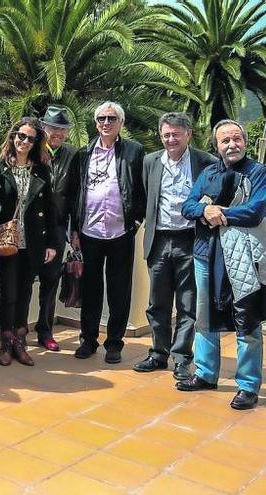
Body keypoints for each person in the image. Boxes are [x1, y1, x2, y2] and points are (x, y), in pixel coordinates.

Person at [178, 119, 266, 410]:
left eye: (237, 139)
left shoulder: (259, 173)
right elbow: (187, 206)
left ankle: (248, 386)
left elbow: (254, 212)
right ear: (216, 146)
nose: (232, 144)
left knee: (247, 320)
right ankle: (205, 374)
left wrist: (217, 212)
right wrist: (205, 208)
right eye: (225, 140)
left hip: (244, 260)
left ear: (245, 141)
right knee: (204, 318)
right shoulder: (208, 173)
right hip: (206, 255)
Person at [135, 112, 216, 380]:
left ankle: (182, 357)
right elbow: (144, 196)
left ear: (188, 135)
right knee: (157, 301)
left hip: (190, 240)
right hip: (158, 239)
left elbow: (220, 191)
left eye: (176, 134)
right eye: (166, 134)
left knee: (187, 303)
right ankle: (158, 353)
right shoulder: (150, 161)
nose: (171, 139)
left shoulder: (205, 161)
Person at [67, 101, 145, 364]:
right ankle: (88, 340)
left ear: (121, 123)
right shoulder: (83, 154)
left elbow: (142, 191)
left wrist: (135, 222)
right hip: (90, 231)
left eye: (112, 118)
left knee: (119, 290)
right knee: (90, 289)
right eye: (102, 118)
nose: (106, 123)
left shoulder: (134, 152)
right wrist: (76, 229)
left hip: (121, 233)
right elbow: (75, 194)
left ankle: (114, 343)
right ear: (95, 123)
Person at [0, 117, 59, 367]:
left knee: (25, 294)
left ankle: (20, 342)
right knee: (8, 295)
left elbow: (51, 209)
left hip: (32, 242)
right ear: (12, 136)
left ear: (36, 142)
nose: (24, 141)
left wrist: (52, 243)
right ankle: (6, 344)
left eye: (31, 138)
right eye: (21, 136)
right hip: (6, 242)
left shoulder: (41, 168)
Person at [33, 105, 77, 351]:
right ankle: (17, 331)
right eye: (53, 128)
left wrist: (75, 229)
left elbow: (76, 195)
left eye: (62, 129)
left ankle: (45, 330)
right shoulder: (31, 150)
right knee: (22, 282)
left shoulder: (72, 155)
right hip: (29, 229)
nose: (57, 133)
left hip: (57, 229)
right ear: (43, 128)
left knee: (50, 283)